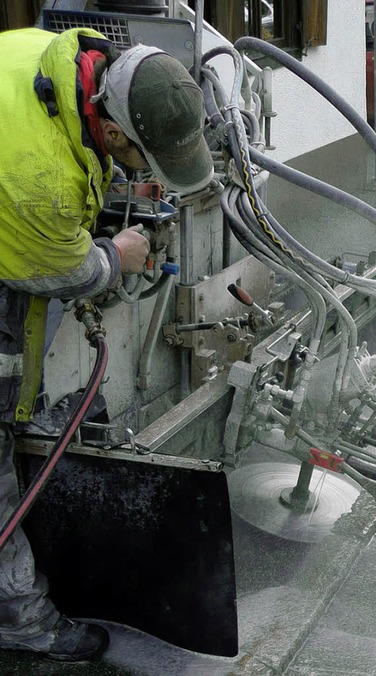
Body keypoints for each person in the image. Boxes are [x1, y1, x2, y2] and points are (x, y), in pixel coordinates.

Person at [0, 26, 213, 662]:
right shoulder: (35, 175)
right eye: (145, 158)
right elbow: (62, 270)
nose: (146, 173)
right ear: (115, 131)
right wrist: (114, 257)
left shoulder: (57, 60)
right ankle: (19, 620)